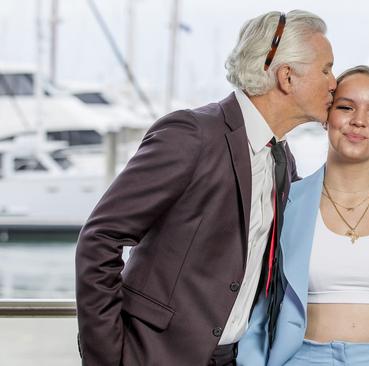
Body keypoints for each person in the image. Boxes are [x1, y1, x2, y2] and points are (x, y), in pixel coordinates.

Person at [75, 10, 336, 366]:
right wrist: (109, 356)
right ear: (287, 77)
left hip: (230, 357)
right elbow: (100, 238)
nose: (334, 83)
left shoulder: (280, 157)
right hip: (152, 356)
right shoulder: (192, 135)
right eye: (326, 69)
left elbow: (322, 206)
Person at [237, 65, 369, 366]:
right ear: (326, 116)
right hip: (299, 358)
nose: (358, 121)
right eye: (346, 107)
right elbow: (259, 302)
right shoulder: (285, 201)